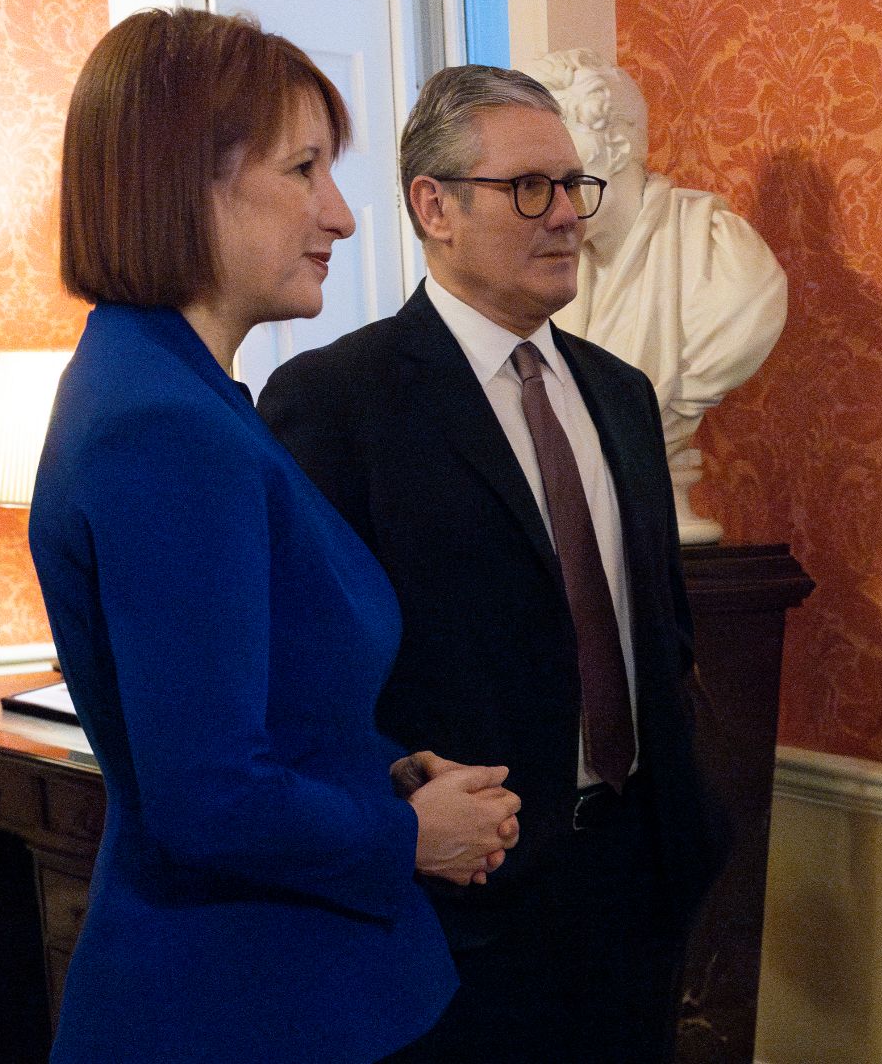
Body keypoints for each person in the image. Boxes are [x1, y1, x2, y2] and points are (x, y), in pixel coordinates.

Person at [30, 9, 520, 1064]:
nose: (341, 215)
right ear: (185, 181)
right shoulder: (163, 424)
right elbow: (206, 795)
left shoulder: (181, 392)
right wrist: (414, 835)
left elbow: (262, 709)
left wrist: (387, 771)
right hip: (246, 1001)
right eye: (304, 169)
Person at [260, 64, 720, 1063]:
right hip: (461, 908)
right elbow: (303, 680)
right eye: (529, 188)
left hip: (640, 880)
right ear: (435, 206)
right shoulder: (336, 402)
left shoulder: (622, 395)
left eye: (573, 186)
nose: (566, 217)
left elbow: (659, 624)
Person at [530, 47, 788, 544]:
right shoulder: (549, 272)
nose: (548, 194)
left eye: (563, 167)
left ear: (621, 144)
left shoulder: (725, 265)